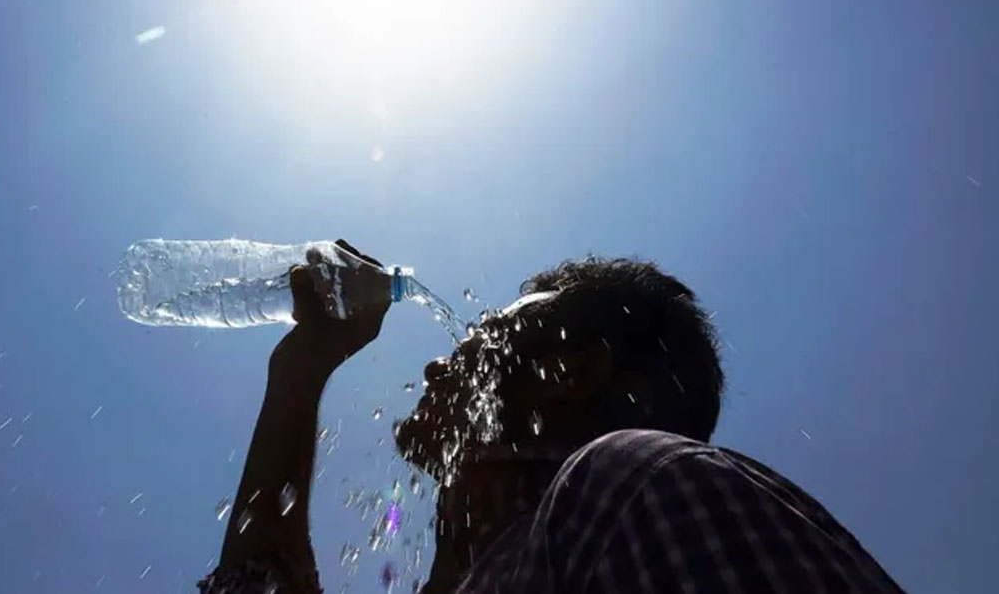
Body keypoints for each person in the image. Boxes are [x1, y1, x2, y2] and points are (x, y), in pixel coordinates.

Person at [201, 241, 904, 593]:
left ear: (569, 371)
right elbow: (256, 583)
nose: (439, 367)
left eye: (480, 339)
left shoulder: (634, 486)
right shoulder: (505, 562)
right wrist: (300, 367)